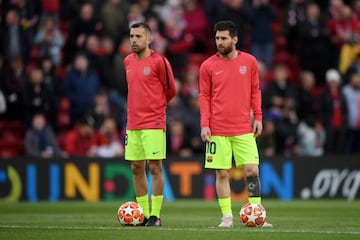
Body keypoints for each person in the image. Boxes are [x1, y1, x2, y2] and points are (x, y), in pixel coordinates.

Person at [199, 20, 272, 228]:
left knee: (252, 170)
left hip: (243, 128)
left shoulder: (249, 62)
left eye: (223, 38)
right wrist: (205, 123)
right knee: (222, 173)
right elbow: (204, 97)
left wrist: (258, 117)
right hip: (217, 129)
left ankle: (257, 214)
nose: (219, 42)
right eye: (217, 38)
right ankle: (227, 217)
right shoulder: (207, 66)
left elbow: (255, 91)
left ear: (235, 39)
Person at [124, 22, 176, 227]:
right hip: (133, 123)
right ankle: (142, 215)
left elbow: (171, 90)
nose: (134, 40)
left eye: (138, 36)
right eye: (131, 36)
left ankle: (155, 215)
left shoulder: (159, 62)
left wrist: (156, 109)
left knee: (155, 167)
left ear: (149, 39)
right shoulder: (127, 61)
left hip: (153, 123)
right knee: (136, 167)